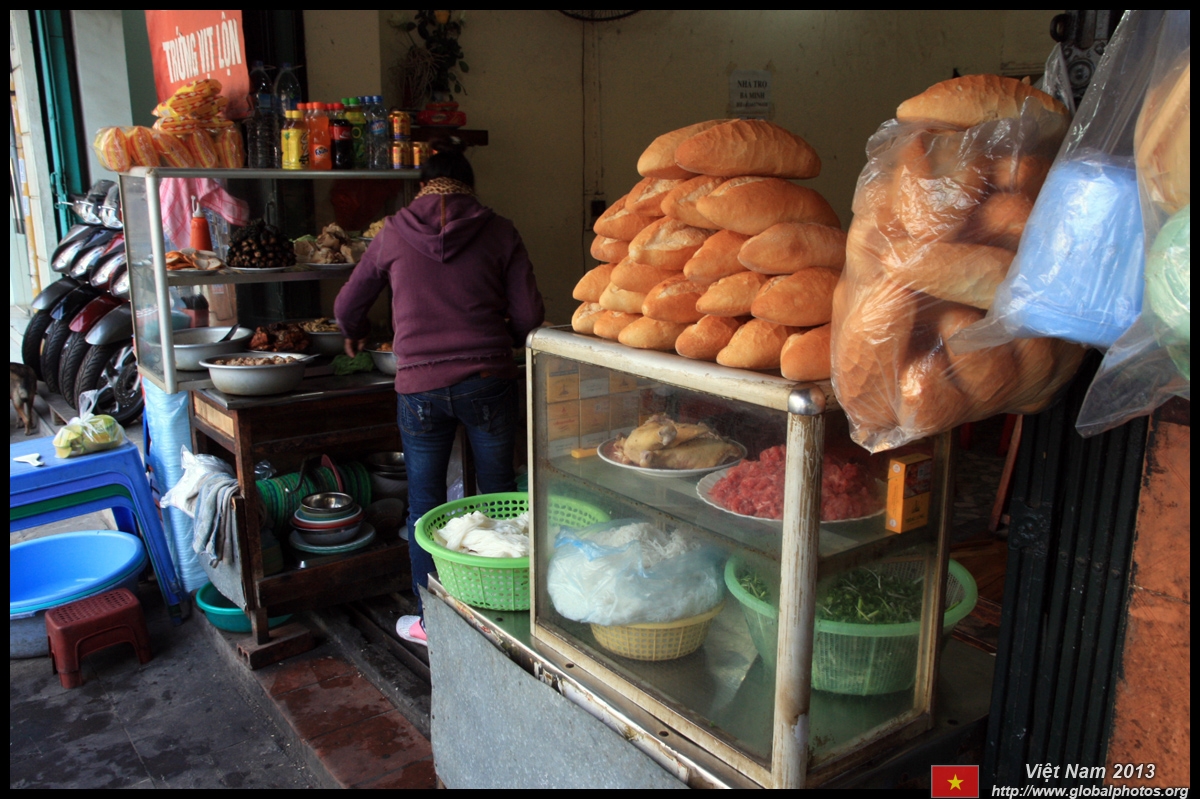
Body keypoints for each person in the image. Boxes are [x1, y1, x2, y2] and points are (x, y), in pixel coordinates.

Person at [334, 138, 545, 645]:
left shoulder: (393, 232)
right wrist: (499, 337)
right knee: (498, 497)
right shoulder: (499, 230)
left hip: (420, 387)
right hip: (488, 381)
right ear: (469, 187)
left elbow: (347, 305)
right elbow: (529, 316)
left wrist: (353, 331)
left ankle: (432, 622)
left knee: (424, 505)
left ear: (422, 185)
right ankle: (501, 614)